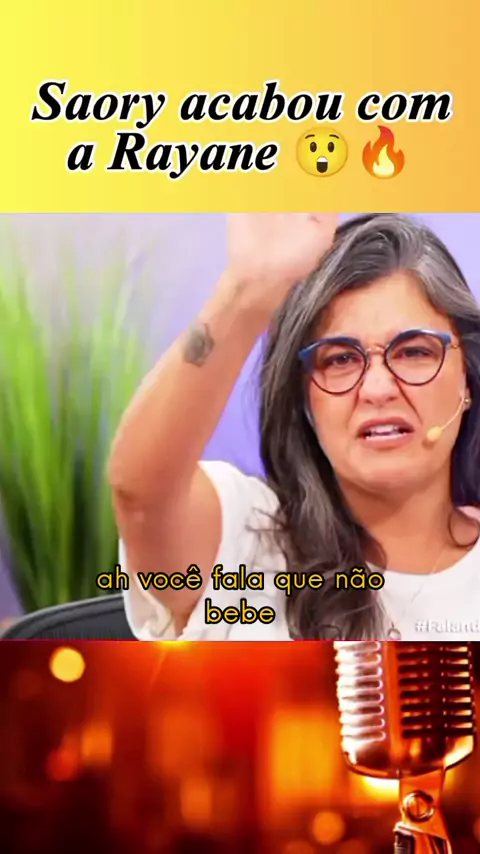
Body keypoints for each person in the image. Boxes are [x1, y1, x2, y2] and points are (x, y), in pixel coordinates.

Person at [108, 213, 480, 641]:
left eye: (413, 352)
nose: (378, 389)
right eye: (340, 359)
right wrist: (246, 291)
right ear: (304, 399)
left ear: (467, 379)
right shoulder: (249, 544)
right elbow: (142, 496)